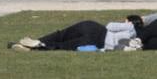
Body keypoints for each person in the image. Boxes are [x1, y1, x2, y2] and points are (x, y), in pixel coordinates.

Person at [8, 15, 144, 52]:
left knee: (61, 34)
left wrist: (125, 24)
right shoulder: (135, 37)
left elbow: (109, 26)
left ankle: (35, 41)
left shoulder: (130, 27)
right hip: (98, 41)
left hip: (94, 28)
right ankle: (35, 48)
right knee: (63, 45)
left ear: (130, 20)